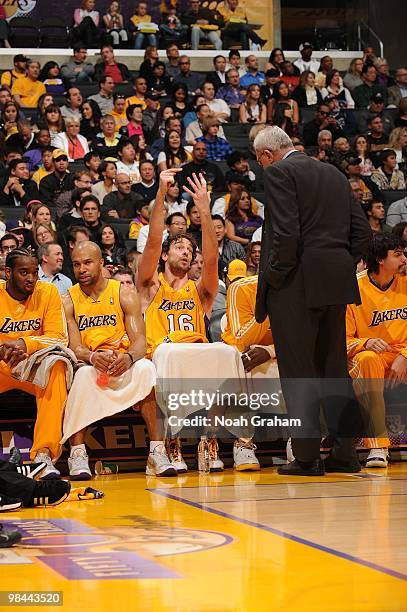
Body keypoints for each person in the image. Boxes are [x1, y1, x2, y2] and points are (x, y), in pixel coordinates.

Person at [253, 126, 371, 476]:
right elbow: (362, 232)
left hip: (295, 284)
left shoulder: (278, 172)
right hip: (335, 281)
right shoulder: (333, 173)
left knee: (299, 372)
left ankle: (306, 457)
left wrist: (275, 277)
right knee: (334, 367)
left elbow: (286, 234)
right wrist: (337, 263)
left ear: (265, 156)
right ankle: (346, 453)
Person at [137, 169, 227, 473]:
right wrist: (162, 194)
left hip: (195, 356)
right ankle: (169, 443)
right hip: (161, 357)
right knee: (167, 358)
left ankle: (208, 441)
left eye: (190, 250)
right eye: (179, 247)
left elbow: (212, 260)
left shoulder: (200, 292)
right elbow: (152, 242)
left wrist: (204, 208)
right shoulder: (150, 285)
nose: (186, 253)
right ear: (165, 256)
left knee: (228, 355)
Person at [61, 241, 156, 478]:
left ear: (101, 263)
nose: (82, 269)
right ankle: (78, 453)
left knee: (146, 368)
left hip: (122, 360)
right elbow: (75, 346)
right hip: (90, 363)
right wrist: (93, 356)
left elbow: (141, 342)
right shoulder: (68, 299)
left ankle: (158, 451)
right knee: (82, 375)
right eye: (76, 264)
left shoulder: (123, 292)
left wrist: (129, 357)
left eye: (87, 263)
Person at [0, 248, 70, 478]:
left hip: (32, 364)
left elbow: (59, 337)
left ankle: (43, 455)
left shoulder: (48, 292)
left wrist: (24, 343)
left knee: (57, 368)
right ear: (8, 272)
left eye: (34, 273)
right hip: (2, 364)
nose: (31, 279)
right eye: (23, 273)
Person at [346, 234, 407, 468]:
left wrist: (404, 356)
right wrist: (366, 343)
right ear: (381, 260)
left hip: (401, 355)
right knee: (368, 359)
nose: (404, 259)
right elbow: (342, 340)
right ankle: (378, 446)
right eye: (398, 254)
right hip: (368, 356)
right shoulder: (354, 287)